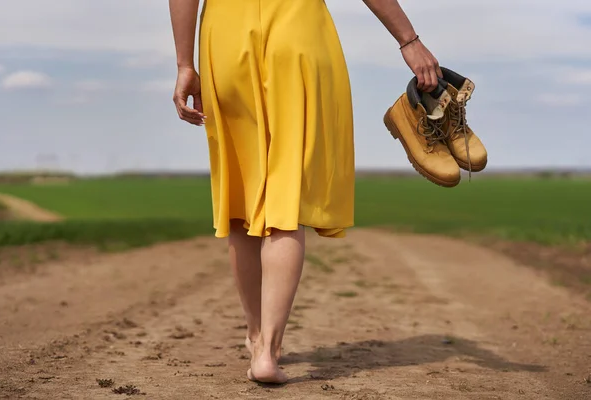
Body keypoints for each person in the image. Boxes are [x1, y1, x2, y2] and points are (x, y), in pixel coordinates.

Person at [169, 0, 441, 384]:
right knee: (286, 193)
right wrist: (409, 41)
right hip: (299, 31)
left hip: (225, 36)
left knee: (241, 195)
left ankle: (255, 335)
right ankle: (267, 353)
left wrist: (184, 64)